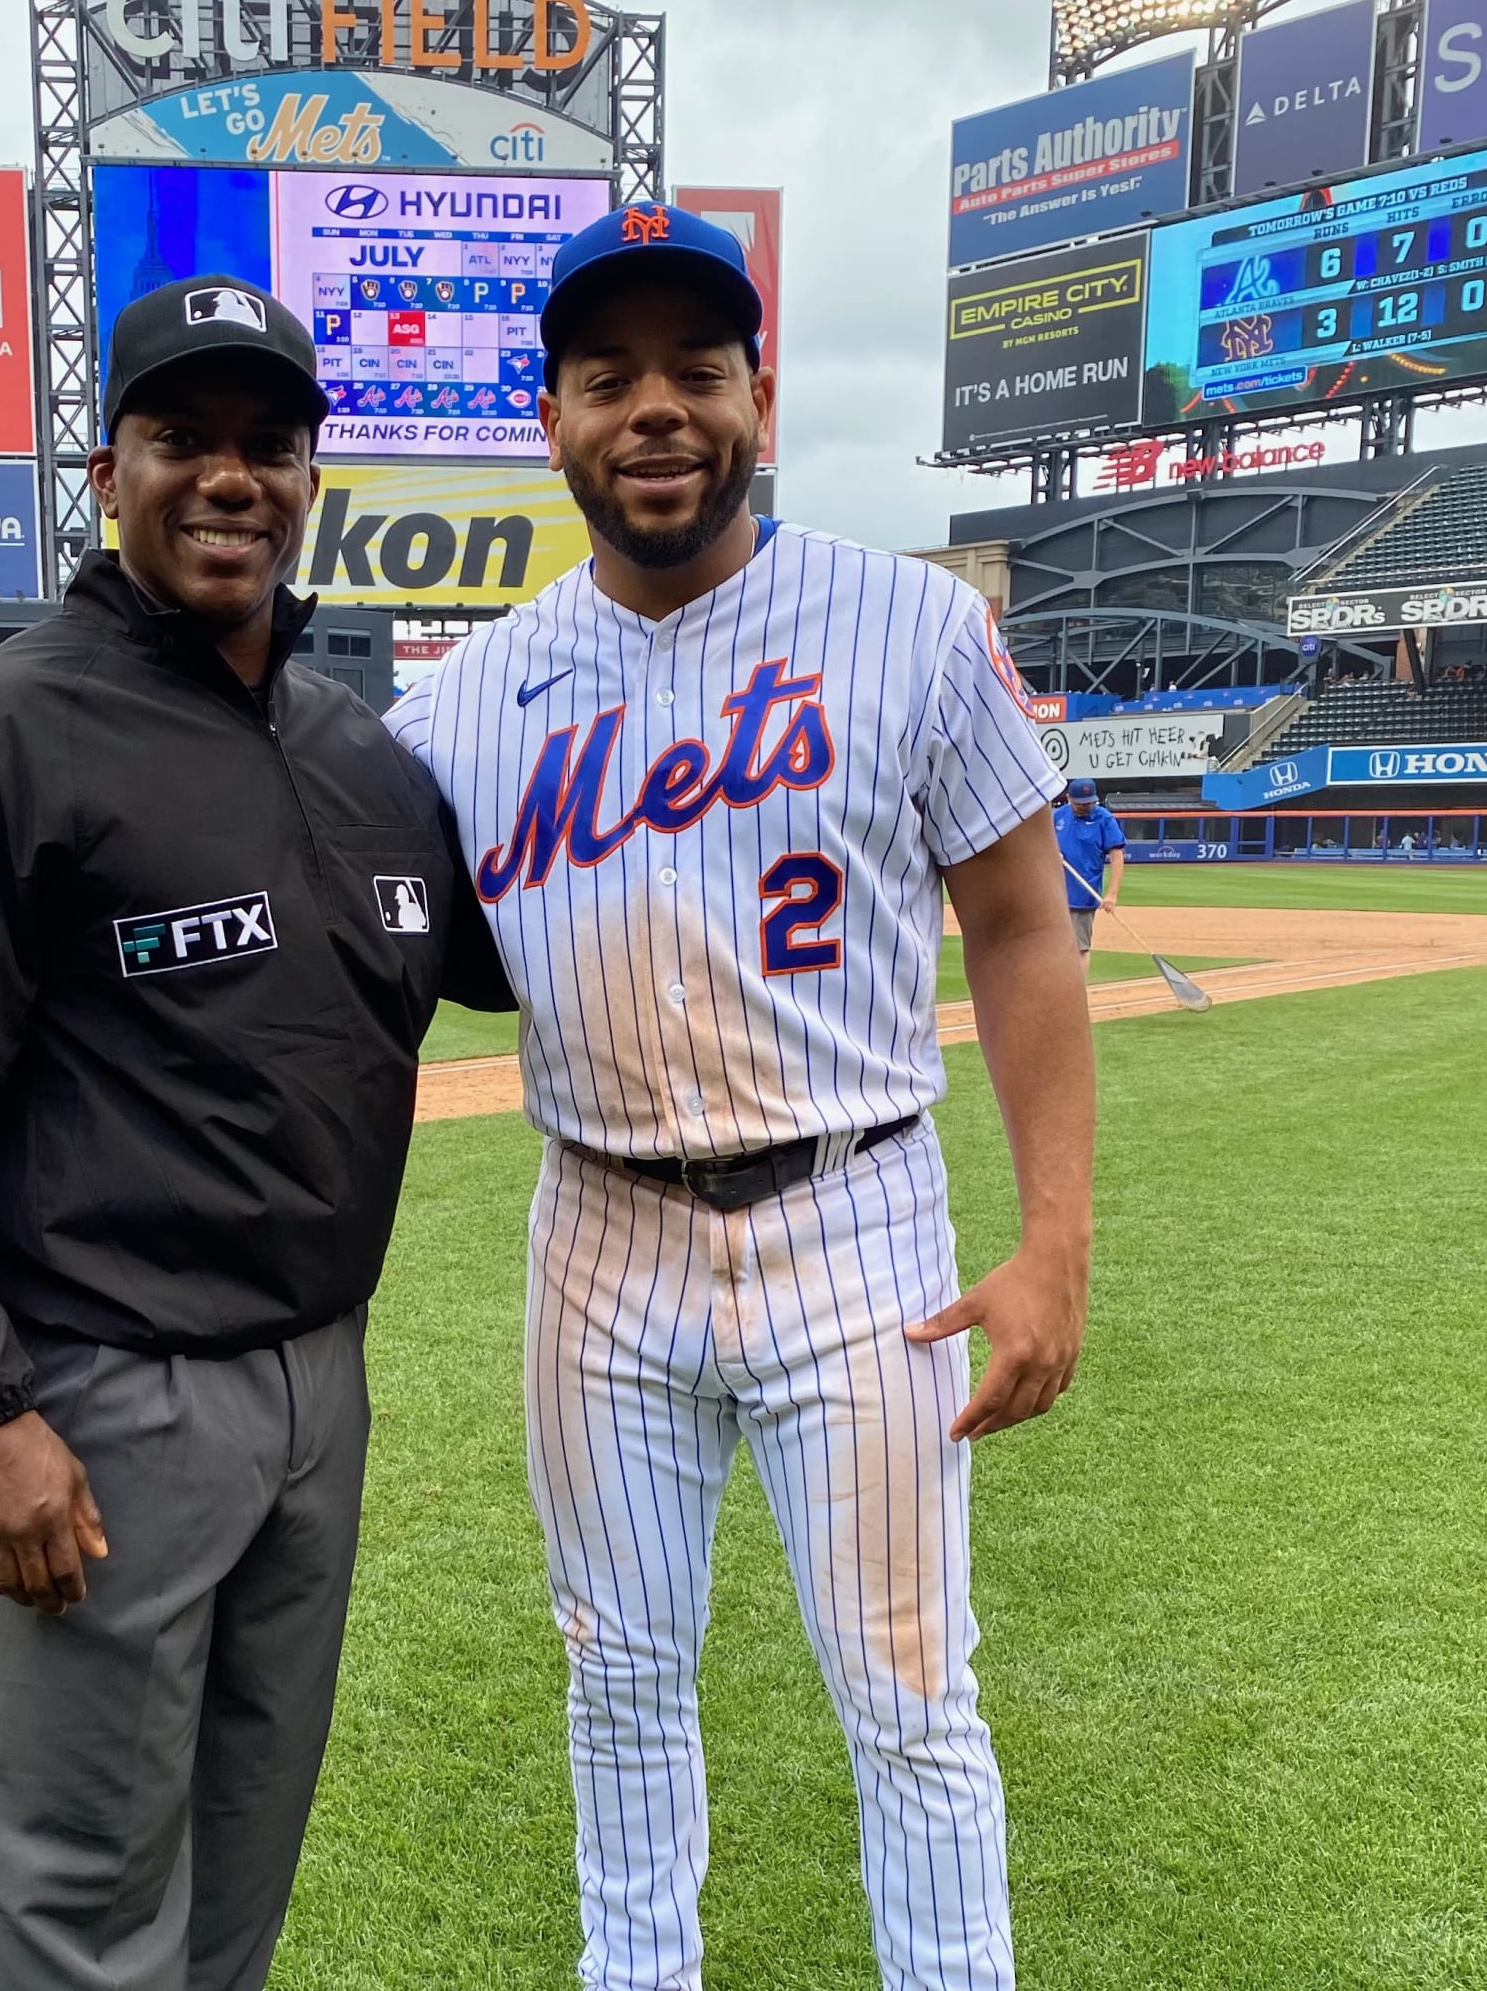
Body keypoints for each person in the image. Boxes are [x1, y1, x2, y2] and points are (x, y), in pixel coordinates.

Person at [387, 202, 1095, 1990]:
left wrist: (1054, 1241)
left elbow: (1019, 929)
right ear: (548, 416)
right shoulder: (460, 704)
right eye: (606, 374)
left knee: (908, 1689)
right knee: (616, 1678)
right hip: (597, 1236)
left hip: (861, 1220)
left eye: (695, 369)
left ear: (757, 401)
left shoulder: (908, 626)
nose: (654, 409)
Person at [0, 275, 510, 1991]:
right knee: (67, 1905)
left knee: (233, 1875)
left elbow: (509, 959)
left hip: (314, 1392)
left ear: (309, 476)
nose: (227, 478)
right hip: (98, 1395)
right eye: (179, 437)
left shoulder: (365, 754)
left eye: (267, 445)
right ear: (105, 468)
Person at [1053, 776, 1126, 972]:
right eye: (1080, 803)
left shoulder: (1104, 819)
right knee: (1051, 947)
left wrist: (1112, 894)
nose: (1085, 807)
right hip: (1053, 893)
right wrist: (1050, 853)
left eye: (1089, 803)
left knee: (1079, 948)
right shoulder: (1057, 816)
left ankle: (1078, 997)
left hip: (1082, 893)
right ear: (1069, 798)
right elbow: (1038, 845)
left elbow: (1117, 856)